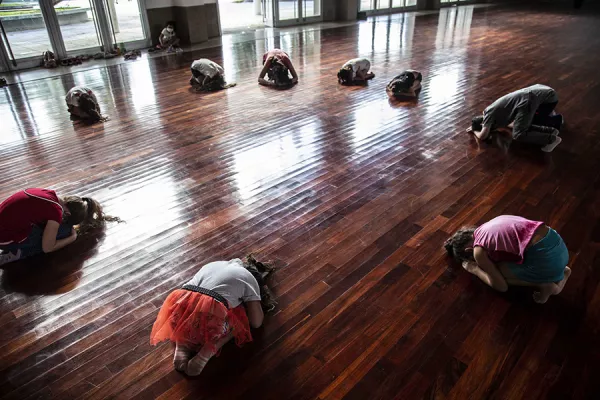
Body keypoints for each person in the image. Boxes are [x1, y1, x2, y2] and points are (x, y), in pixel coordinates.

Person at [150, 258, 266, 376]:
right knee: (240, 318)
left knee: (192, 306)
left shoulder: (211, 264)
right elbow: (256, 322)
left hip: (178, 311)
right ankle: (206, 353)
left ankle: (182, 342)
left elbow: (188, 292)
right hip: (212, 319)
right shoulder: (249, 278)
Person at [444, 215, 571, 304]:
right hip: (559, 247)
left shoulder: (478, 251)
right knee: (504, 265)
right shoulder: (489, 224)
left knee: (498, 274)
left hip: (547, 261)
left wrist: (475, 269)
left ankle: (547, 285)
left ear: (468, 251)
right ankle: (562, 272)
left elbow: (501, 286)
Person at [0, 188, 116, 266]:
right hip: (4, 239)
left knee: (50, 230)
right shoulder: (55, 212)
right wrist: (72, 238)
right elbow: (48, 248)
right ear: (68, 214)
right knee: (63, 232)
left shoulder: (49, 193)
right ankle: (17, 253)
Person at [468, 84, 564, 153]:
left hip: (545, 99)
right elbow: (512, 124)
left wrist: (474, 130)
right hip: (540, 92)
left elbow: (482, 136)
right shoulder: (497, 114)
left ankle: (551, 139)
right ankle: (551, 131)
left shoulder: (489, 114)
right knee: (521, 125)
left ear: (483, 123)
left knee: (518, 134)